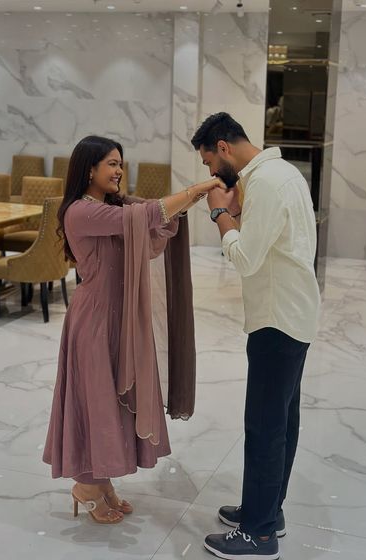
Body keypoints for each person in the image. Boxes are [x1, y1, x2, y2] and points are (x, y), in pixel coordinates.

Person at [43, 135, 224, 524]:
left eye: (120, 163)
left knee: (110, 400)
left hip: (117, 318)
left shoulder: (114, 206)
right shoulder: (80, 211)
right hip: (94, 320)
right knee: (94, 400)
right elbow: (145, 216)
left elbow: (154, 219)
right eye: (111, 163)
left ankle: (101, 480)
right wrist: (195, 189)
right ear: (89, 169)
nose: (119, 170)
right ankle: (85, 485)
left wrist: (192, 199)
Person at [191, 113, 320, 559]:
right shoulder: (285, 174)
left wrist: (220, 215)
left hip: (276, 320)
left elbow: (246, 259)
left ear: (223, 147)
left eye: (209, 162)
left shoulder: (264, 182)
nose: (211, 172)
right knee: (281, 421)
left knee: (265, 426)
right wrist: (238, 211)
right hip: (294, 313)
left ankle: (258, 535)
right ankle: (267, 511)